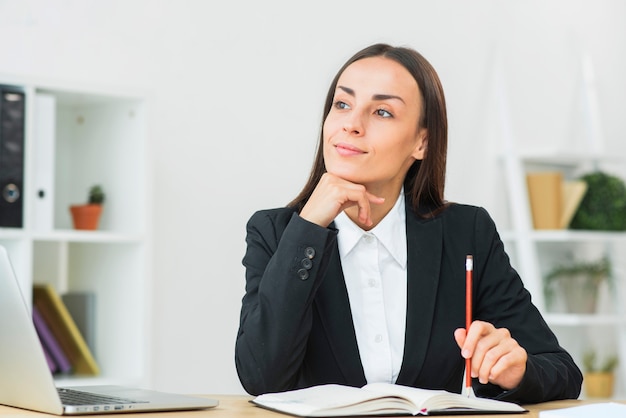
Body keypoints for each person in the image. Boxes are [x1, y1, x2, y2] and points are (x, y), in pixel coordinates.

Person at [235, 43, 582, 403]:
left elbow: (562, 372)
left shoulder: (467, 233)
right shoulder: (276, 233)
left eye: (382, 112)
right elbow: (262, 377)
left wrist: (517, 372)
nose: (352, 124)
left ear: (422, 141)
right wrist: (309, 228)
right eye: (342, 104)